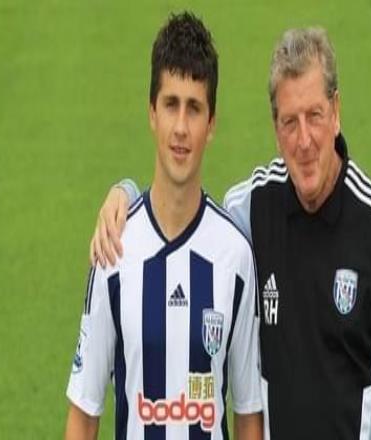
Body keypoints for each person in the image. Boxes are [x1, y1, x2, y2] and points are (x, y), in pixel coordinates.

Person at [90, 27, 371, 439]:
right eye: (290, 122)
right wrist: (125, 195)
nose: (304, 140)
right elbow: (185, 216)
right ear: (275, 127)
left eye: (314, 116)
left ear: (336, 111)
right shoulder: (250, 210)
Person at [65, 12, 263, 440]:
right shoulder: (113, 250)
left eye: (194, 108)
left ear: (211, 123)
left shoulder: (235, 256)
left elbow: (249, 416)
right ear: (151, 112)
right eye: (171, 104)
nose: (181, 128)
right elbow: (83, 415)